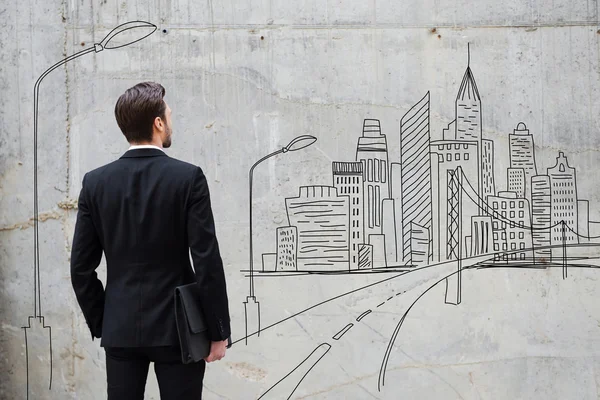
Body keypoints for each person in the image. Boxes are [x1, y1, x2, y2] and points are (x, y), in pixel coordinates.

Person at [70, 81, 231, 399]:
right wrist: (217, 331)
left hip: (121, 328)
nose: (171, 121)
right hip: (179, 331)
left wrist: (105, 321)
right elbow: (206, 260)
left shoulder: (96, 183)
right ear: (158, 123)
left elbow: (80, 269)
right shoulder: (187, 178)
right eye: (169, 115)